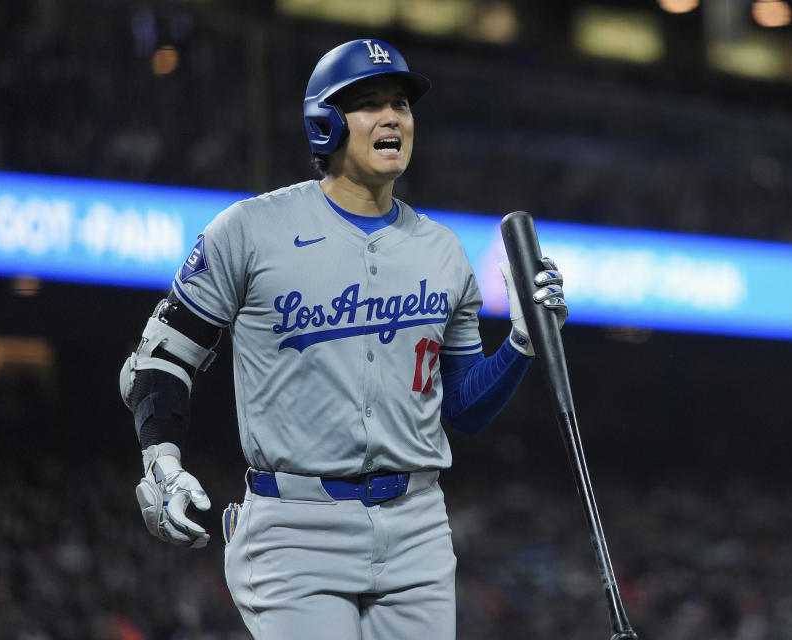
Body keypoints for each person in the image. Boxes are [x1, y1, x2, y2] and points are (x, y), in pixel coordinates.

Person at [119, 38, 568, 640]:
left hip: (418, 527)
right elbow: (160, 359)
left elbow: (462, 410)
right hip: (295, 525)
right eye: (369, 103)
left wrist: (521, 344)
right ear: (324, 124)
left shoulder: (443, 251)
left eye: (401, 105)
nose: (392, 117)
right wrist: (163, 462)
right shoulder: (250, 230)